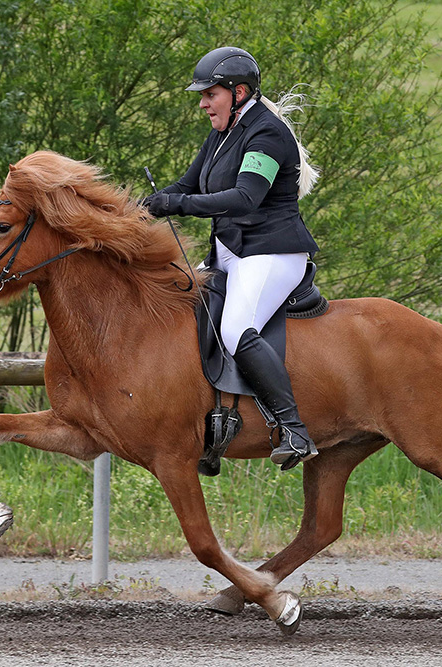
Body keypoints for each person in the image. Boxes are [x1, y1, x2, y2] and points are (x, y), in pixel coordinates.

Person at [143, 46, 320, 471]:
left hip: (270, 252)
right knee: (177, 314)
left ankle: (293, 429)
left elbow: (244, 198)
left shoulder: (267, 134)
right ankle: (211, 427)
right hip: (229, 253)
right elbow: (185, 184)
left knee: (237, 328)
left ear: (238, 92)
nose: (203, 103)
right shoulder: (222, 132)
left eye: (209, 94)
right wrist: (135, 211)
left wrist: (178, 205)